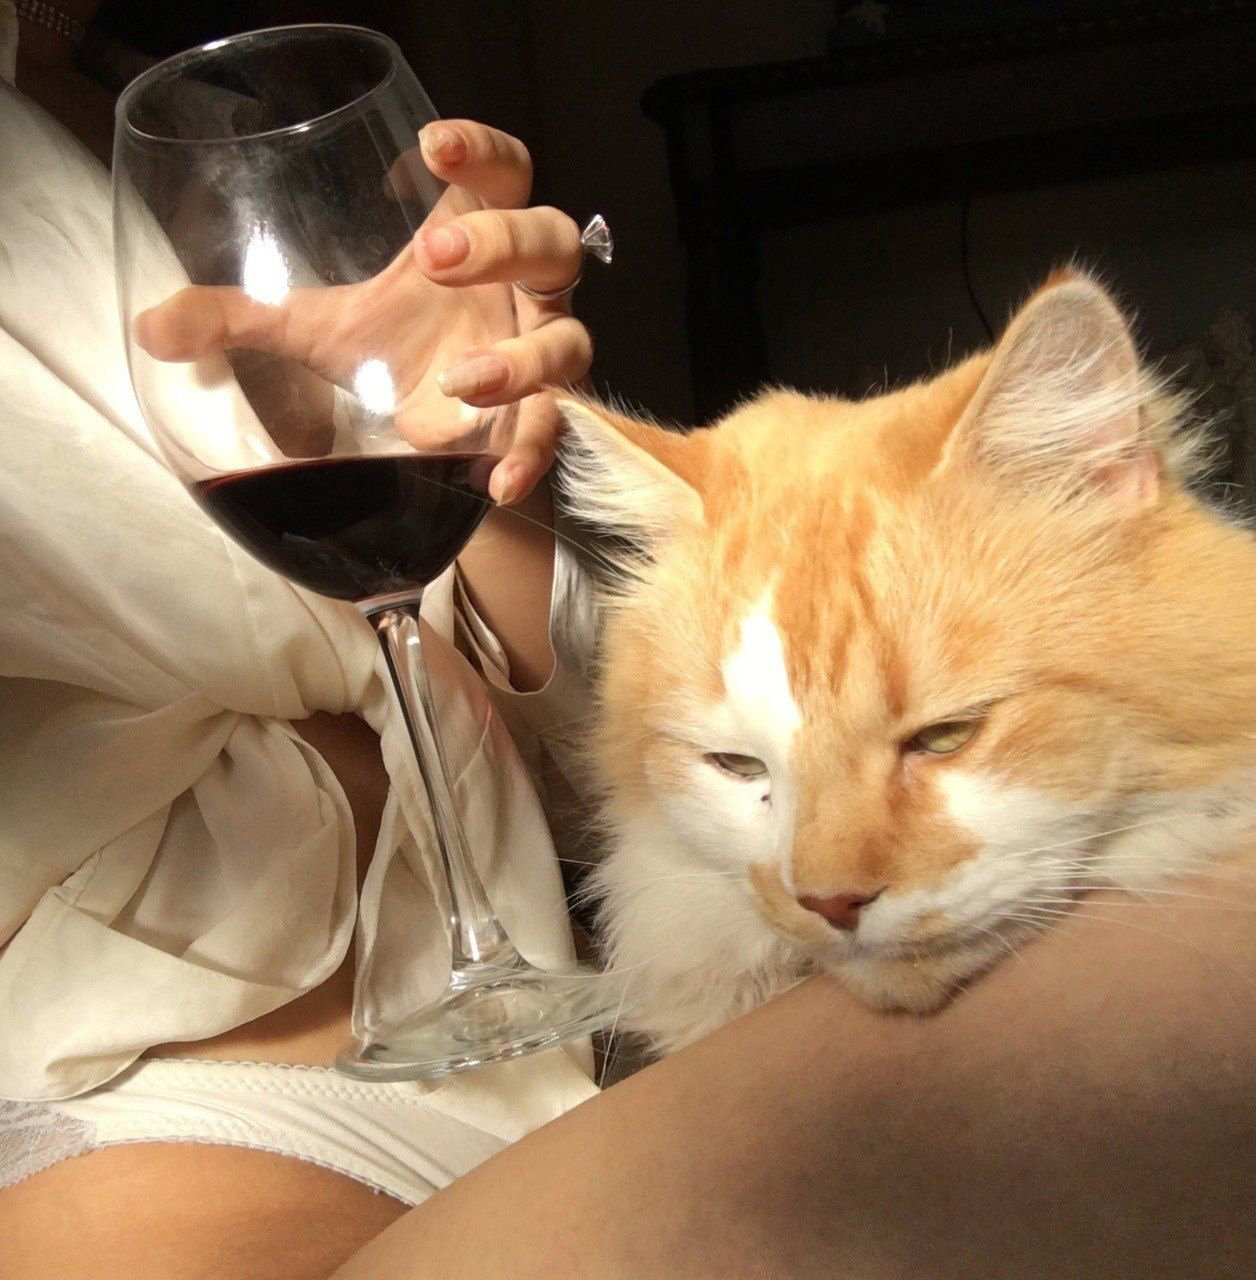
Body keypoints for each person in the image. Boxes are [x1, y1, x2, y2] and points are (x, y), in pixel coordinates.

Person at [4, 12, 1256, 1280]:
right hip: (158, 1081)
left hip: (549, 1011)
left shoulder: (148, 103)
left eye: (939, 732)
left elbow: (563, 724)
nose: (829, 874)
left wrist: (468, 456)